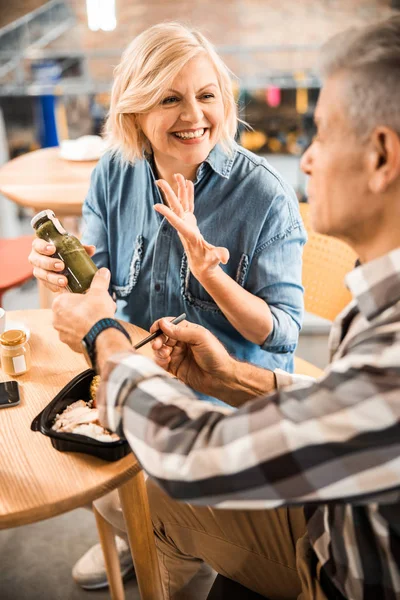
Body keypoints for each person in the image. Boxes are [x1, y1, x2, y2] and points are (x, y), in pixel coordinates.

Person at [52, 14, 400, 599]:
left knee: (140, 482)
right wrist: (233, 375)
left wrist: (108, 337)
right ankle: (153, 543)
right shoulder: (375, 303)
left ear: (382, 155)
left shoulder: (386, 344)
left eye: (319, 134)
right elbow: (342, 410)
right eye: (169, 98)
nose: (305, 161)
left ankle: (163, 549)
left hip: (332, 568)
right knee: (117, 478)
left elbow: (196, 453)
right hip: (327, 514)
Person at [29, 22, 306, 589]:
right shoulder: (116, 168)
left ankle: (169, 543)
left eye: (206, 96)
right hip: (136, 366)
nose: (194, 115)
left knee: (125, 491)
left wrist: (213, 276)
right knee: (69, 446)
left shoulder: (263, 196)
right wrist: (60, 266)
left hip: (223, 398)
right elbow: (98, 272)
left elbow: (282, 334)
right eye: (170, 98)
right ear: (135, 111)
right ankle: (144, 533)